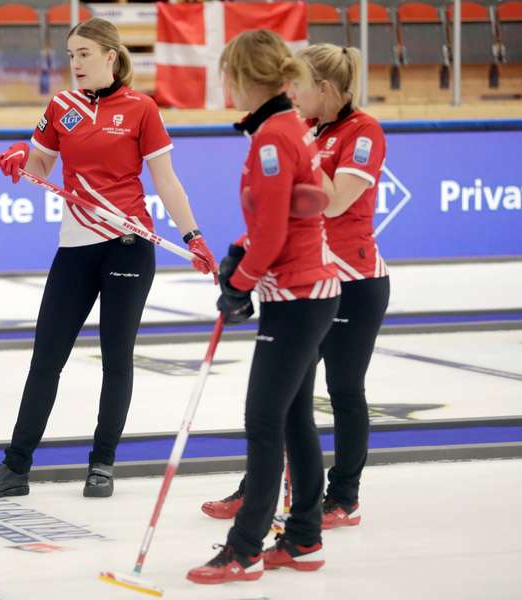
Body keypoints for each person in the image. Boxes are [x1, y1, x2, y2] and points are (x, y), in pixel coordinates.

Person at [0, 17, 217, 500]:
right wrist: (22, 156)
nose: (75, 63)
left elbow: (165, 179)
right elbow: (40, 166)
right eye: (70, 55)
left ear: (110, 55)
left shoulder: (141, 108)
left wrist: (193, 235)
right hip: (76, 248)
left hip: (128, 244)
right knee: (47, 358)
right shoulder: (61, 106)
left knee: (116, 359)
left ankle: (102, 464)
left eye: (84, 53)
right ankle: (15, 467)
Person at [200, 43, 389, 531]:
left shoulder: (361, 130)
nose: (293, 96)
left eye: (300, 87)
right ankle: (259, 491)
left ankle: (343, 496)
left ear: (324, 89)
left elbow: (334, 203)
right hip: (306, 284)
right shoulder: (302, 131)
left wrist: (297, 157)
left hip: (355, 280)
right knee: (283, 400)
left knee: (344, 391)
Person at [186, 30, 340, 585]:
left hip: (299, 294)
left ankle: (245, 548)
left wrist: (240, 282)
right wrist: (239, 253)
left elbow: (275, 231)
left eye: (227, 73)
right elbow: (276, 223)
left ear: (245, 77)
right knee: (293, 416)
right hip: (301, 291)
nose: (223, 83)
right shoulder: (285, 126)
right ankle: (302, 538)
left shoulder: (273, 137)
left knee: (263, 419)